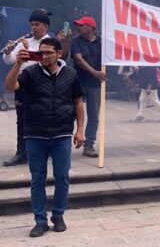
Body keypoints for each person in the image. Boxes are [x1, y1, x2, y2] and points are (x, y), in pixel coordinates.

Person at [3, 38, 84, 237]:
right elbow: (9, 86)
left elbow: (78, 103)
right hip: (34, 134)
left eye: (49, 52)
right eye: (41, 52)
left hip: (62, 134)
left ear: (59, 53)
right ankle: (40, 220)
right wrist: (18, 64)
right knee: (37, 179)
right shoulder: (30, 73)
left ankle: (58, 215)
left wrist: (80, 129)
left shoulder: (70, 74)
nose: (44, 56)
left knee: (62, 177)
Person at [2, 9, 56, 166]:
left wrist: (27, 50)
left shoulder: (50, 43)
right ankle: (21, 152)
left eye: (37, 25)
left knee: (42, 119)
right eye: (32, 24)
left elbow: (45, 59)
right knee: (22, 119)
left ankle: (45, 150)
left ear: (45, 26)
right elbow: (9, 61)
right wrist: (8, 51)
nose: (33, 28)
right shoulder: (25, 41)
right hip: (23, 85)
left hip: (42, 85)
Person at [70, 16, 104, 158]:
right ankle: (64, 141)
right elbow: (78, 58)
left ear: (90, 27)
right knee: (70, 113)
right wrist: (94, 72)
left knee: (94, 115)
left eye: (82, 25)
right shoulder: (76, 40)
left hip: (96, 84)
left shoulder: (102, 42)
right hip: (78, 81)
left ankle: (89, 144)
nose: (79, 28)